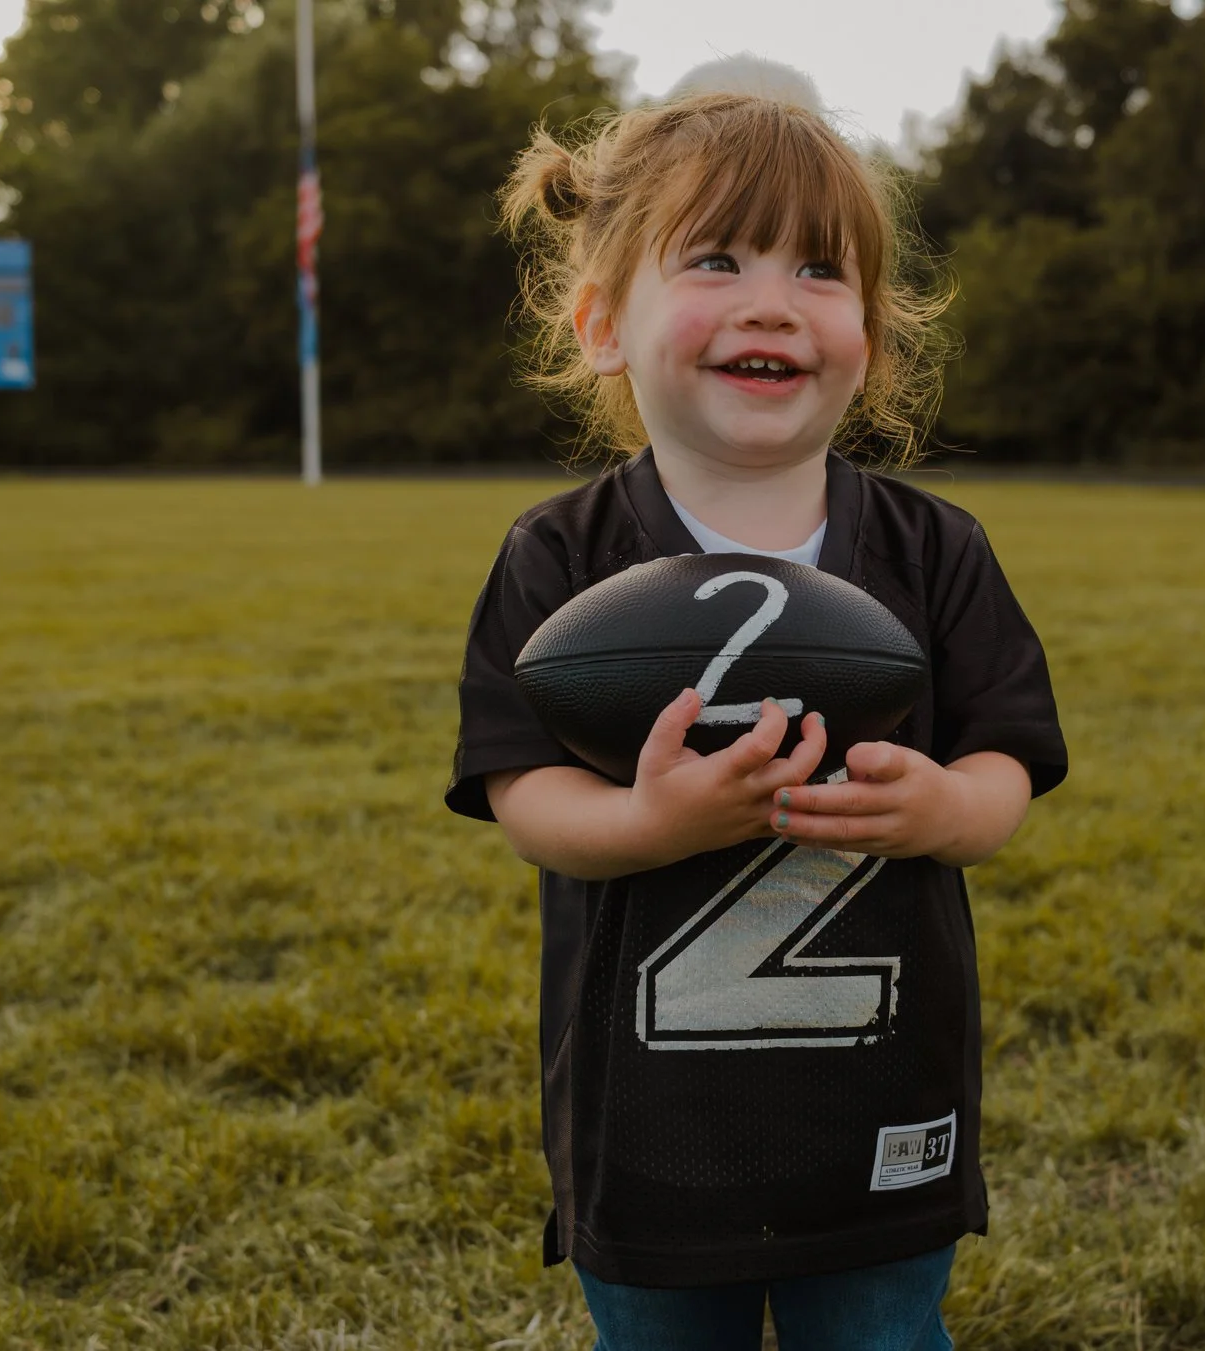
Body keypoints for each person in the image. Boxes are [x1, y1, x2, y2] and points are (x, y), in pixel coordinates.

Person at [444, 58, 1067, 1351]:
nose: (772, 303)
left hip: (883, 1102)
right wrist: (646, 824)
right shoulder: (557, 558)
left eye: (819, 270)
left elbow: (1009, 765)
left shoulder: (936, 549)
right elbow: (522, 792)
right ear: (604, 322)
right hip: (652, 1120)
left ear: (872, 337)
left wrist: (945, 802)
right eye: (718, 260)